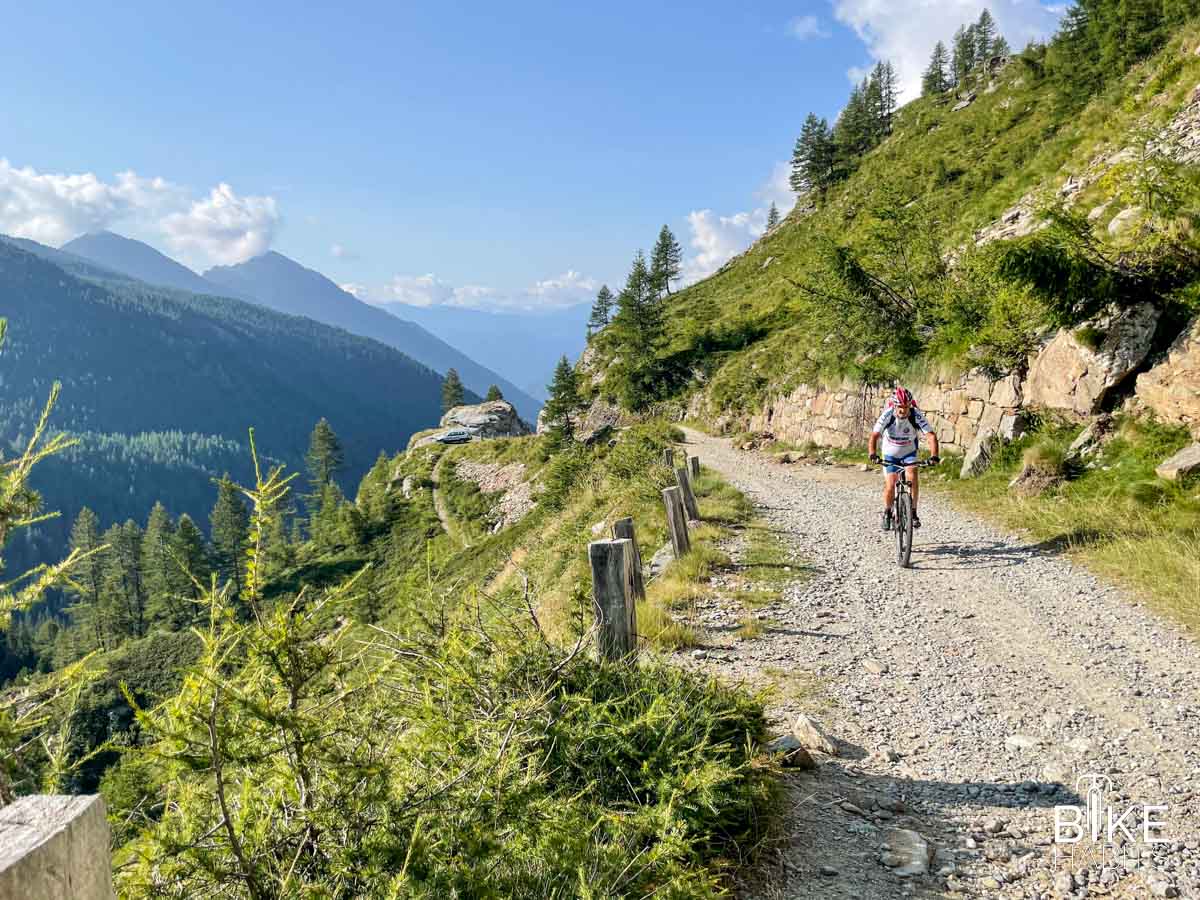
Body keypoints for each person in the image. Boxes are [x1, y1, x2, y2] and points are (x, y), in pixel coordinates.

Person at [868, 387, 939, 531]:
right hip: (890, 454)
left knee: (912, 476)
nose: (903, 410)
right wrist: (873, 453)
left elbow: (931, 435)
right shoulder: (888, 415)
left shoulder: (915, 415)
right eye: (900, 407)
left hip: (909, 452)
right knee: (890, 484)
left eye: (906, 407)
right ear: (895, 406)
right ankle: (887, 512)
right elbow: (874, 435)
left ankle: (913, 513)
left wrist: (934, 456)